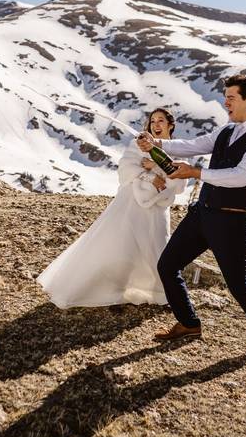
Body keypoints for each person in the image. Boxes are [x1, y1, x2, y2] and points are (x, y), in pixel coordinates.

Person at [137, 74, 246, 357]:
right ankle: (189, 323)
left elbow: (240, 177)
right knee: (167, 266)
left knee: (238, 285)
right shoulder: (226, 131)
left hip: (232, 221)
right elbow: (193, 146)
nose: (225, 102)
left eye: (231, 97)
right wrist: (157, 143)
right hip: (202, 213)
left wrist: (195, 172)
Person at [37, 108, 187, 308]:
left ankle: (161, 292)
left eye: (161, 121)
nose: (156, 125)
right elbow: (126, 170)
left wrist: (154, 166)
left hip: (159, 208)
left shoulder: (178, 150)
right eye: (153, 121)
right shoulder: (139, 145)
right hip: (131, 202)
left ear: (170, 125)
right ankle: (109, 288)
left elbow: (179, 183)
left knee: (158, 245)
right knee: (120, 243)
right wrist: (152, 177)